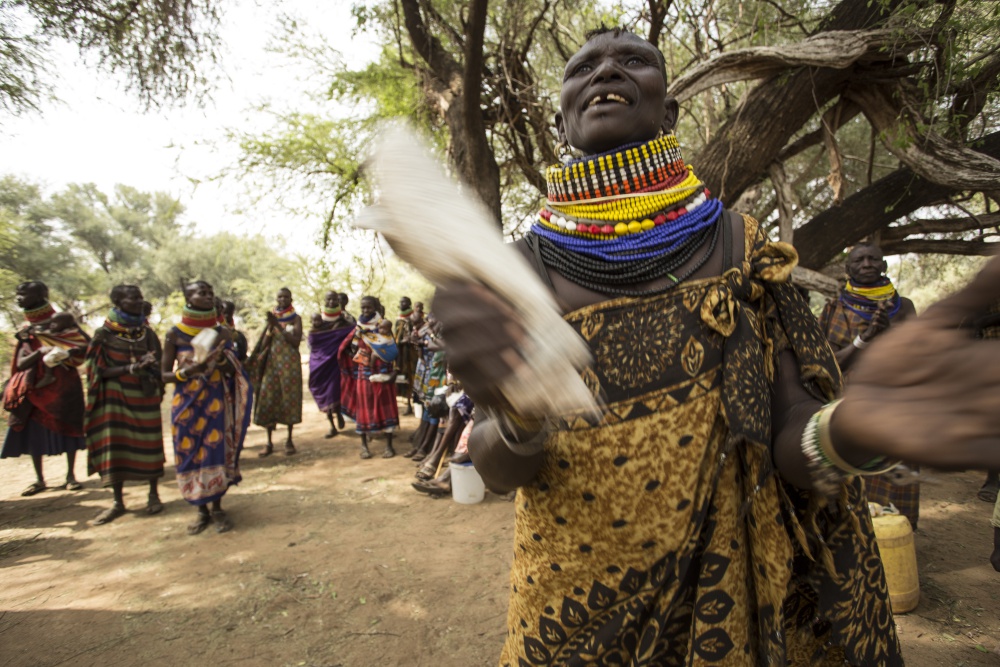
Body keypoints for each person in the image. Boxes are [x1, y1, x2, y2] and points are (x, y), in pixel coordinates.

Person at [423, 26, 1000, 666]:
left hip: (729, 605)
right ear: (562, 122)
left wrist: (856, 427)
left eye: (633, 61)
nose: (606, 71)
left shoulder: (737, 247)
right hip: (573, 608)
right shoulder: (517, 271)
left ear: (668, 110)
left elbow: (791, 432)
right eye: (583, 67)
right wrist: (516, 411)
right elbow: (498, 468)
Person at [818, 244, 921, 529]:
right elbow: (826, 364)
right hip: (849, 407)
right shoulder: (833, 309)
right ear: (848, 269)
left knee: (895, 476)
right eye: (858, 260)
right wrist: (865, 339)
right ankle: (848, 537)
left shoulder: (905, 308)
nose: (866, 263)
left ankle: (896, 540)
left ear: (884, 265)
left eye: (873, 258)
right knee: (851, 478)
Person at [161, 280, 252, 534]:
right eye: (201, 293)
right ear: (188, 299)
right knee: (188, 451)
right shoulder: (174, 333)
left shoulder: (223, 333)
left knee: (215, 450)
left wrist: (221, 362)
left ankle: (217, 508)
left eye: (210, 292)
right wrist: (187, 372)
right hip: (186, 402)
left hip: (215, 400)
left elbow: (234, 367)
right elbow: (164, 375)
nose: (208, 296)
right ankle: (200, 510)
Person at [84, 285, 165, 524]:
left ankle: (153, 494)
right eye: (133, 298)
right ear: (118, 302)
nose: (140, 301)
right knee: (115, 446)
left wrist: (150, 367)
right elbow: (96, 371)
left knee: (150, 443)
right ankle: (118, 502)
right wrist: (130, 368)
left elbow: (159, 362)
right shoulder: (103, 335)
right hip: (115, 398)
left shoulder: (147, 333)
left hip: (144, 396)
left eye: (140, 297)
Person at [2, 281, 89, 495]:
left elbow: (86, 345)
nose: (19, 298)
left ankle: (71, 476)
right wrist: (41, 353)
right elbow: (22, 362)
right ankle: (39, 479)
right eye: (18, 294)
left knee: (69, 425)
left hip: (64, 384)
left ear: (41, 295)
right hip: (35, 387)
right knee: (34, 431)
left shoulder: (62, 321)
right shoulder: (26, 330)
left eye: (23, 294)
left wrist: (65, 352)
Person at [339, 298, 400, 458]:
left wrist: (394, 371)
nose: (365, 310)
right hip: (364, 372)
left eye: (369, 307)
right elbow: (350, 348)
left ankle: (389, 446)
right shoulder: (359, 327)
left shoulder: (383, 325)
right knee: (364, 407)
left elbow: (393, 349)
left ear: (375, 308)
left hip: (383, 370)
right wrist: (362, 359)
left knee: (385, 405)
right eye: (363, 307)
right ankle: (364, 446)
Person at [249, 287, 303, 456]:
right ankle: (269, 442)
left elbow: (295, 342)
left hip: (289, 365)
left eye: (286, 297)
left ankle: (289, 440)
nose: (282, 300)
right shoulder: (271, 319)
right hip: (272, 365)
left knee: (289, 398)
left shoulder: (295, 319)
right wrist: (270, 329)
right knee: (268, 398)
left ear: (291, 299)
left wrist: (278, 327)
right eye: (280, 297)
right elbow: (264, 345)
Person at [307, 291, 354, 437]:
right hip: (320, 362)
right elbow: (312, 340)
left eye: (334, 299)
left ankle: (339, 413)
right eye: (329, 299)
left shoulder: (346, 319)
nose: (332, 302)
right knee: (324, 390)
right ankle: (331, 425)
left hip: (337, 361)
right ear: (324, 301)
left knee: (335, 390)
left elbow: (353, 334)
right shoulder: (318, 319)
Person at [393, 296, 419, 415]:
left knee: (415, 377)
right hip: (402, 353)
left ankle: (418, 404)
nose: (402, 303)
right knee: (406, 378)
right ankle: (409, 405)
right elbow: (396, 336)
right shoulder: (398, 320)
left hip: (413, 353)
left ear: (409, 304)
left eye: (404, 302)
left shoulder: (414, 318)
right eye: (401, 302)